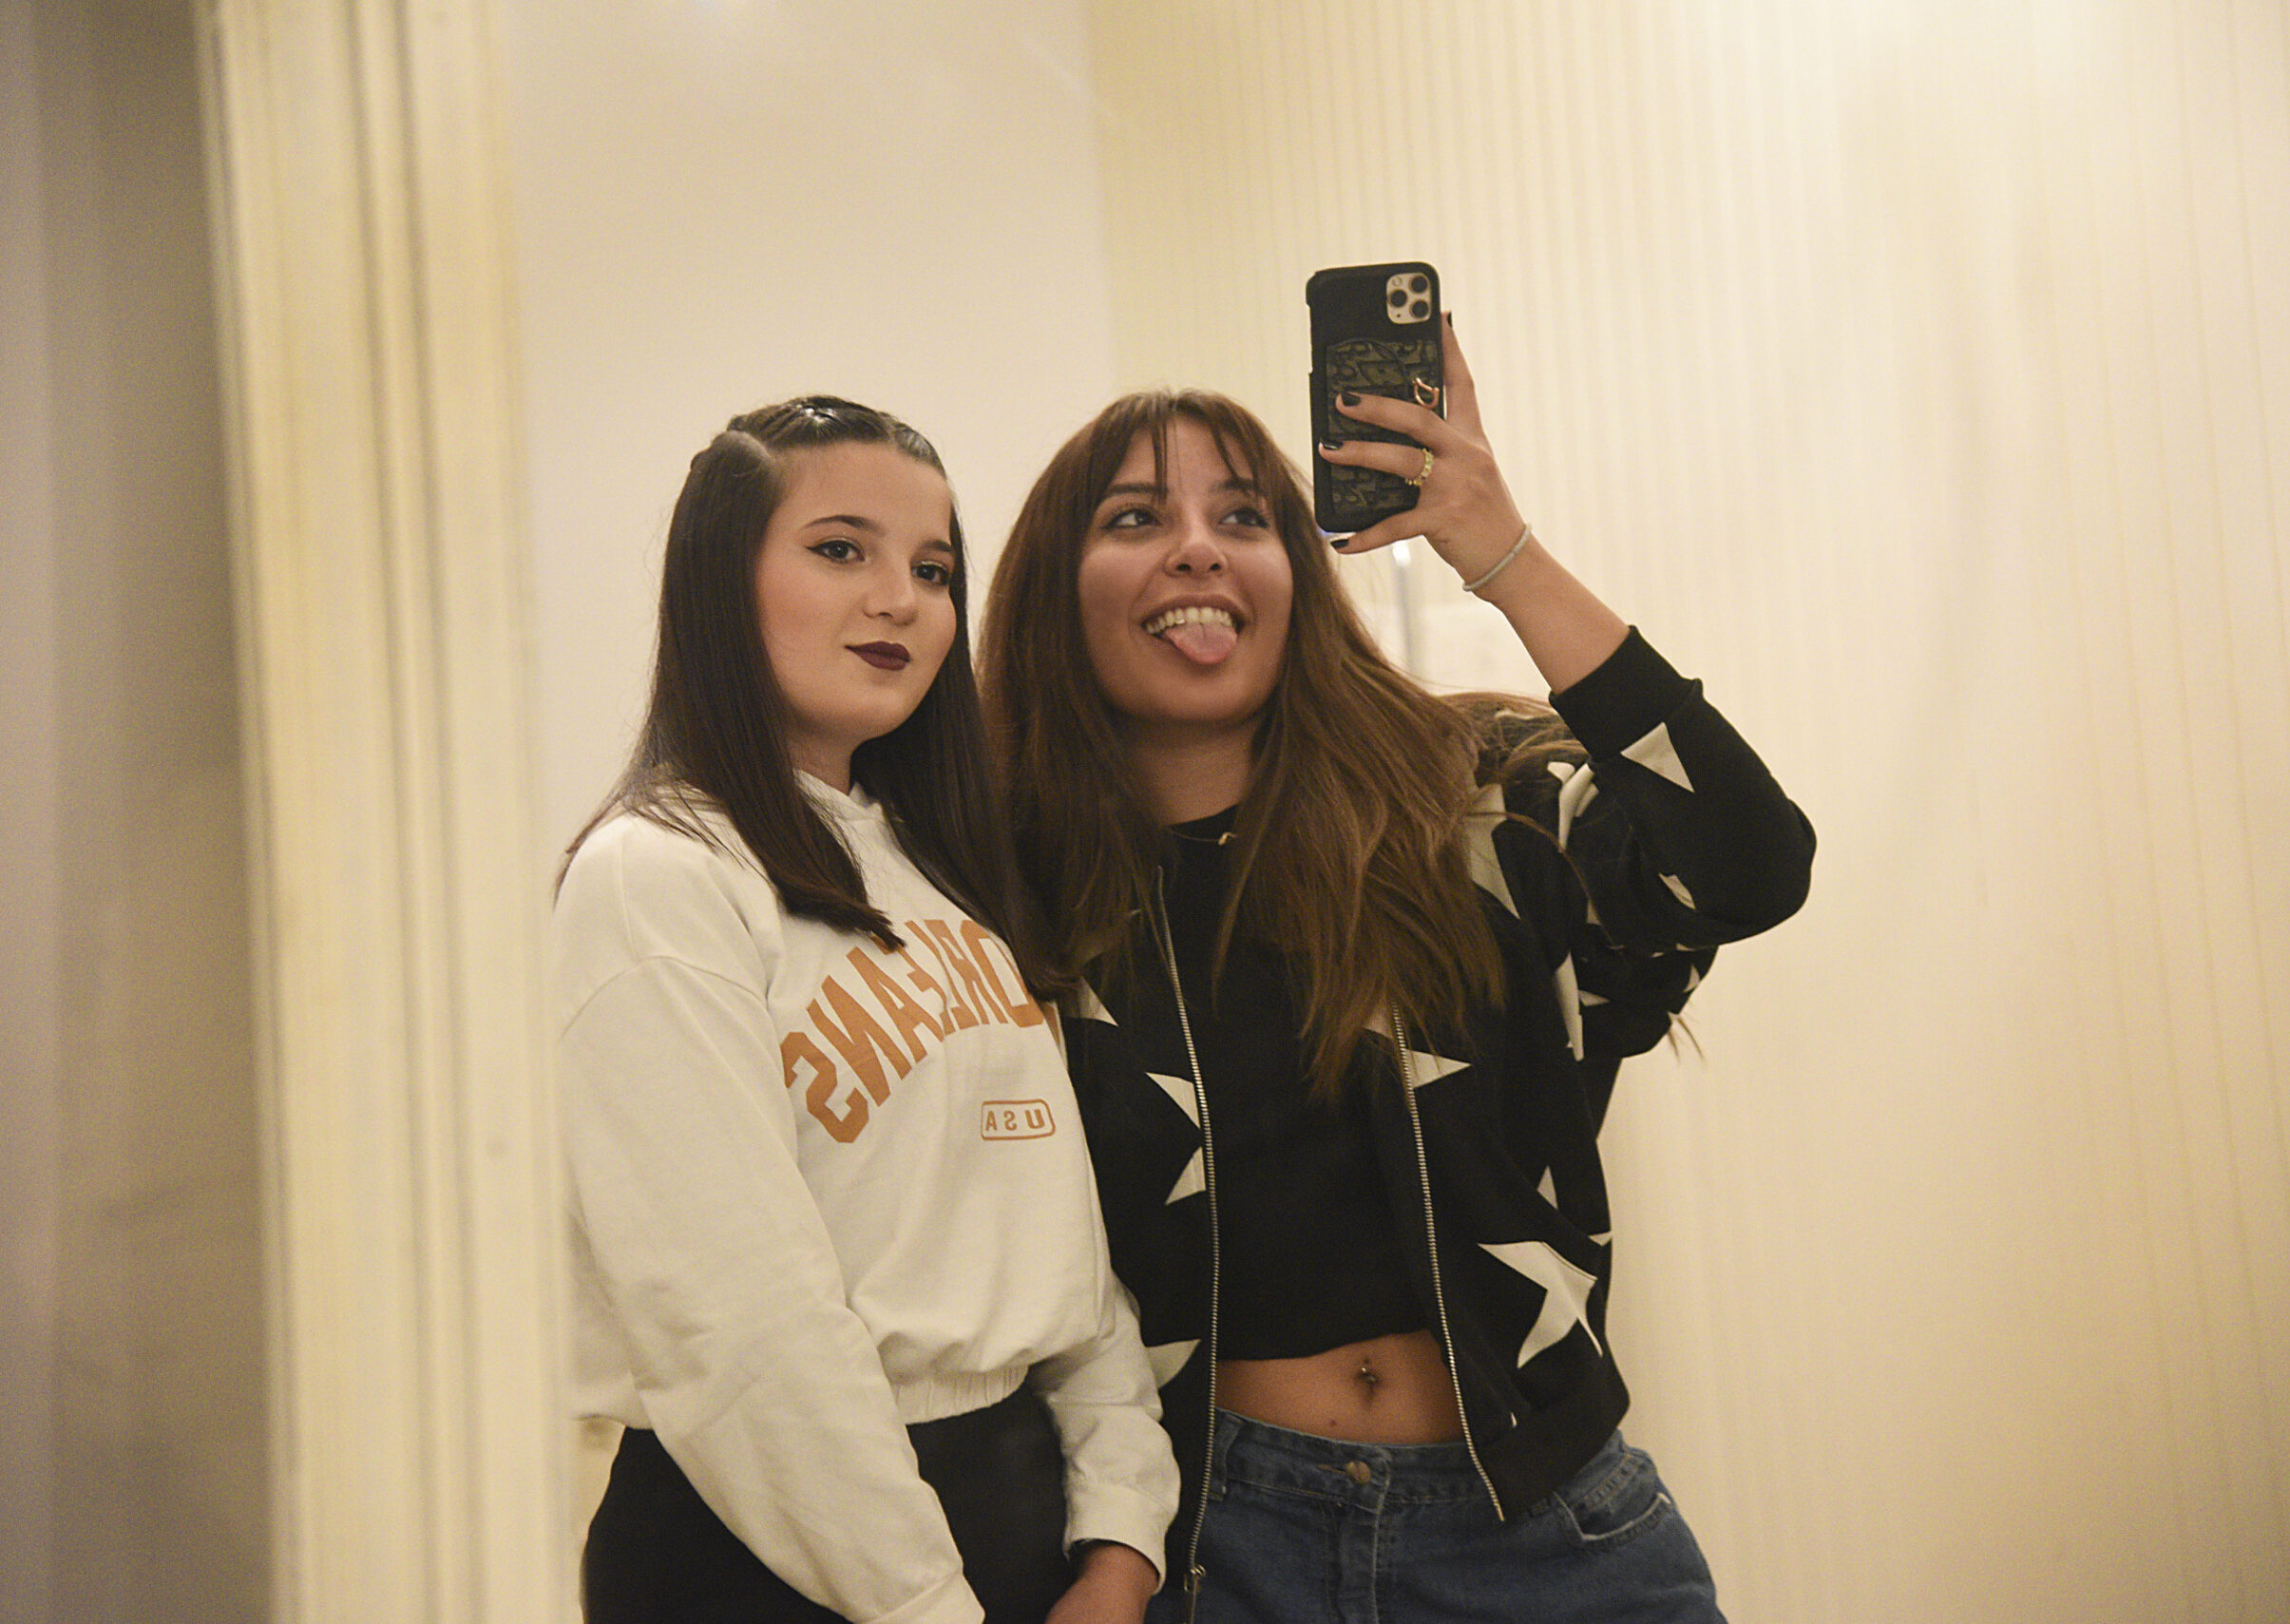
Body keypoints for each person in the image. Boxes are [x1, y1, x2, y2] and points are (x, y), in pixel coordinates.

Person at [977, 324, 1813, 1624]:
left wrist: (1500, 550)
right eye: (1137, 517)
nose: (1198, 546)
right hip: (1215, 1548)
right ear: (1054, 591)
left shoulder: (1480, 794)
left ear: (1299, 577)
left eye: (1244, 516)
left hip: (1543, 1533)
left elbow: (1749, 867)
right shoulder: (1001, 905)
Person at [555, 396, 1176, 1624]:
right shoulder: (657, 874)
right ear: (718, 583)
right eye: (842, 549)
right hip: (771, 1539)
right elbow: (737, 1323)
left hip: (1014, 1507)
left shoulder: (943, 868)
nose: (901, 599)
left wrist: (1121, 1538)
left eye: (934, 570)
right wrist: (923, 1601)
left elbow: (1062, 1254)